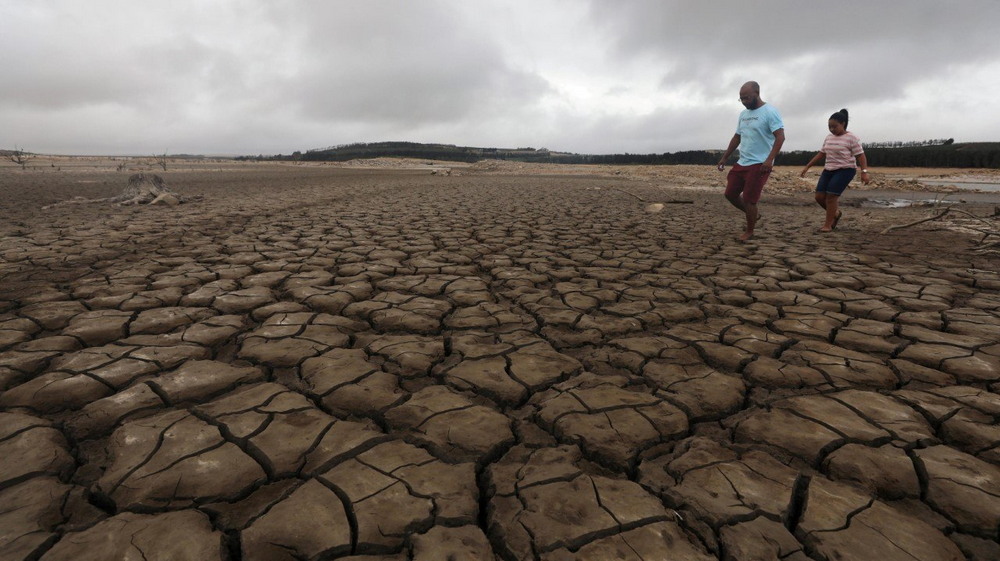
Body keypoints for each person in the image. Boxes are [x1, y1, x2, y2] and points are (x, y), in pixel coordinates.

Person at [716, 81, 785, 241]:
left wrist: (769, 160)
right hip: (743, 162)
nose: (744, 102)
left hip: (760, 163)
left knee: (749, 199)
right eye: (741, 99)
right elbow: (737, 137)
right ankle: (754, 215)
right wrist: (725, 157)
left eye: (747, 98)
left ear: (757, 93)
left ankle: (750, 231)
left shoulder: (770, 112)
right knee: (730, 193)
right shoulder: (743, 114)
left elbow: (780, 137)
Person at [799, 109, 870, 232]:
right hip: (829, 170)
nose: (832, 129)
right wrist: (807, 166)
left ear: (842, 124)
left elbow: (861, 156)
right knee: (819, 197)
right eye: (829, 127)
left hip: (845, 170)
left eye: (834, 126)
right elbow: (821, 153)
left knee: (831, 197)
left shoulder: (851, 138)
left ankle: (828, 225)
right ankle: (835, 214)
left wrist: (864, 172)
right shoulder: (829, 138)